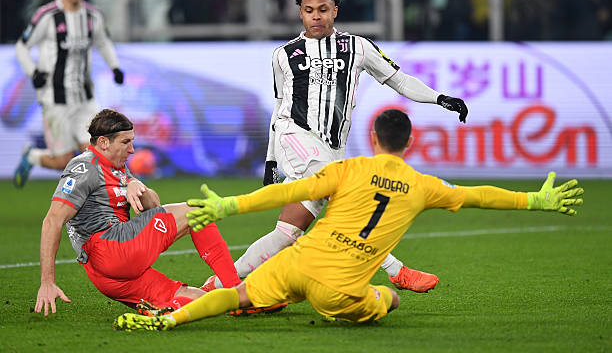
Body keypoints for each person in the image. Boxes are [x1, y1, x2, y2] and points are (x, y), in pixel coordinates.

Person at [112, 109, 583, 330]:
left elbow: (288, 191)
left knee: (238, 293)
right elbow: (478, 196)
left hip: (297, 263)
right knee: (391, 299)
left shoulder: (348, 168)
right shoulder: (423, 185)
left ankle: (172, 321)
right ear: (409, 144)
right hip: (338, 290)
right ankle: (376, 289)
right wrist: (534, 201)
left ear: (373, 138)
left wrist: (229, 206)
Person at [202, 0, 469, 293]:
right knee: (344, 194)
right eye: (309, 10)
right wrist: (271, 159)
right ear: (300, 13)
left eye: (323, 9)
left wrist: (439, 98)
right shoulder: (284, 54)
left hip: (331, 148)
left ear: (335, 11)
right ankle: (396, 270)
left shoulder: (358, 47)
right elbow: (279, 106)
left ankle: (220, 283)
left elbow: (398, 80)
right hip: (294, 135)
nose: (316, 16)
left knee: (287, 232)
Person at [35, 108, 241, 316]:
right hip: (112, 247)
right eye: (126, 142)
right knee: (198, 212)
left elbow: (154, 206)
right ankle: (236, 288)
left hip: (108, 276)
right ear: (104, 142)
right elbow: (52, 221)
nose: (132, 149)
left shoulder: (118, 166)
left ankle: (170, 310)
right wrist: (47, 282)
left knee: (203, 300)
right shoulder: (84, 167)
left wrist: (136, 184)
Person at [13, 0, 125, 188]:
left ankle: (96, 203)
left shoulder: (93, 16)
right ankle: (32, 156)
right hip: (55, 99)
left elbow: (104, 42)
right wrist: (33, 72)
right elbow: (21, 47)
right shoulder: (47, 15)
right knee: (62, 161)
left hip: (85, 98)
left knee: (98, 154)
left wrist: (114, 67)